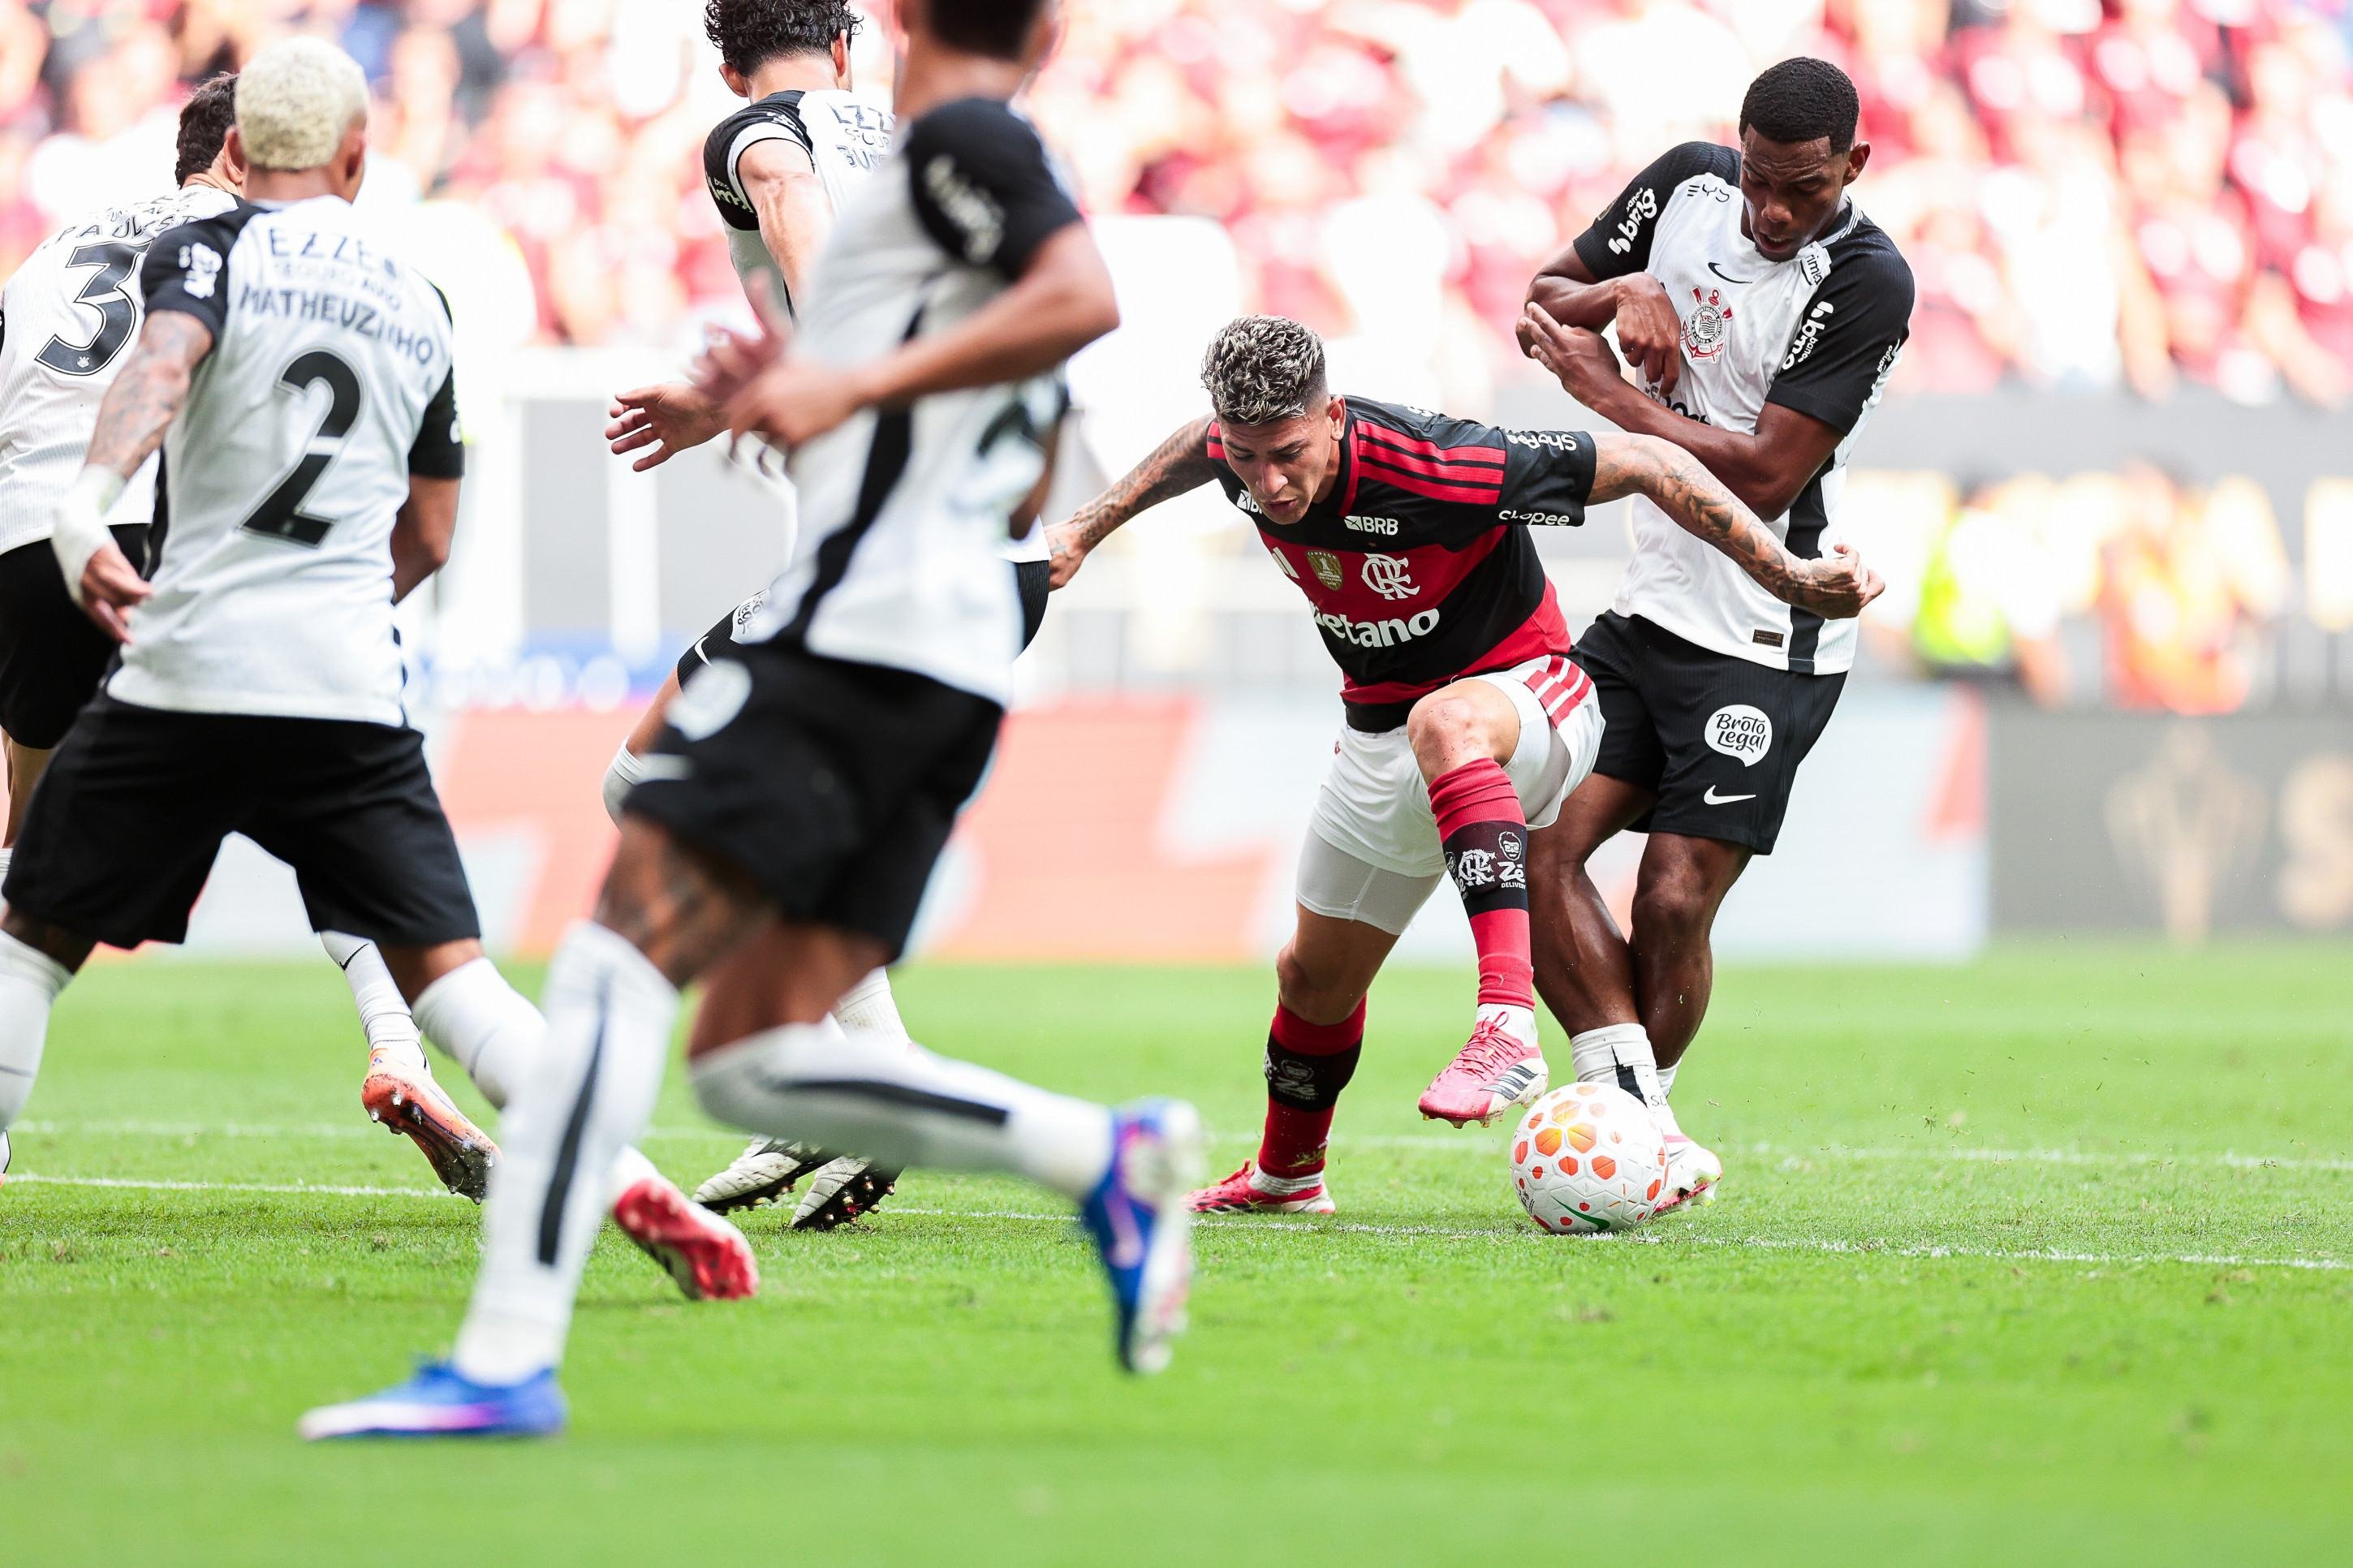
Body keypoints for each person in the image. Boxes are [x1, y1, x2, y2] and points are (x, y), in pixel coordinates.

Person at [304, 0, 1199, 1443]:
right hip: (943, 618)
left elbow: (1072, 298)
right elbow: (983, 374)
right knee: (746, 1053)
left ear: (895, 21)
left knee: (610, 953)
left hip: (869, 612)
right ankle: (1103, 1153)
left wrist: (829, 376)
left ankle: (504, 1362)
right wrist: (773, 392)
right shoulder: (943, 151)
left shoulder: (940, 137)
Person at [0, 41, 756, 1305]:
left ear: (232, 159)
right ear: (360, 158)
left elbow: (161, 361)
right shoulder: (421, 295)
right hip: (340, 675)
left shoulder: (202, 247)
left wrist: (86, 504)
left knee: (29, 939)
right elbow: (435, 534)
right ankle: (623, 1173)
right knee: (453, 976)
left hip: (180, 655)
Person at [1045, 316, 1879, 1216]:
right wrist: (1084, 530)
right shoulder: (1237, 448)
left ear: (1331, 415)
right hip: (1378, 728)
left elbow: (1646, 460)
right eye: (1246, 458)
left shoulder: (1438, 463)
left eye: (1287, 452)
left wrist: (1789, 577)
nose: (1268, 481)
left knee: (1446, 722)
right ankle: (1290, 1175)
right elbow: (1192, 449)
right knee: (1311, 979)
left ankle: (1504, 1024)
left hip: (1529, 696)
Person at [0, 72, 493, 1198]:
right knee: (332, 800)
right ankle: (402, 1047)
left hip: (30, 540)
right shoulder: (254, 250)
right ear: (246, 150)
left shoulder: (52, 248)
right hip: (177, 533)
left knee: (32, 847)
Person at [1517, 57, 1916, 1206]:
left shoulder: (1866, 277)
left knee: (1673, 894)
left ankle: (1628, 1121)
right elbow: (1538, 302)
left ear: (1851, 166)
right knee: (1533, 838)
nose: (1769, 209)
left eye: (1798, 186)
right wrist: (1613, 297)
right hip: (1645, 614)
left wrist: (1608, 404)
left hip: (1766, 630)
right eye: (1755, 178)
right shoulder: (1683, 190)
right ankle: (1635, 1119)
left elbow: (1762, 468)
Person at [604, 0, 911, 1233]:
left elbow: (804, 237)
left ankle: (858, 1083)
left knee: (652, 789)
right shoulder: (923, 137)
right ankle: (825, 1074)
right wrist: (728, 400)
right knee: (764, 810)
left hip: (865, 538)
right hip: (951, 526)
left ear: (724, 66)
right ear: (846, 48)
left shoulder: (756, 131)